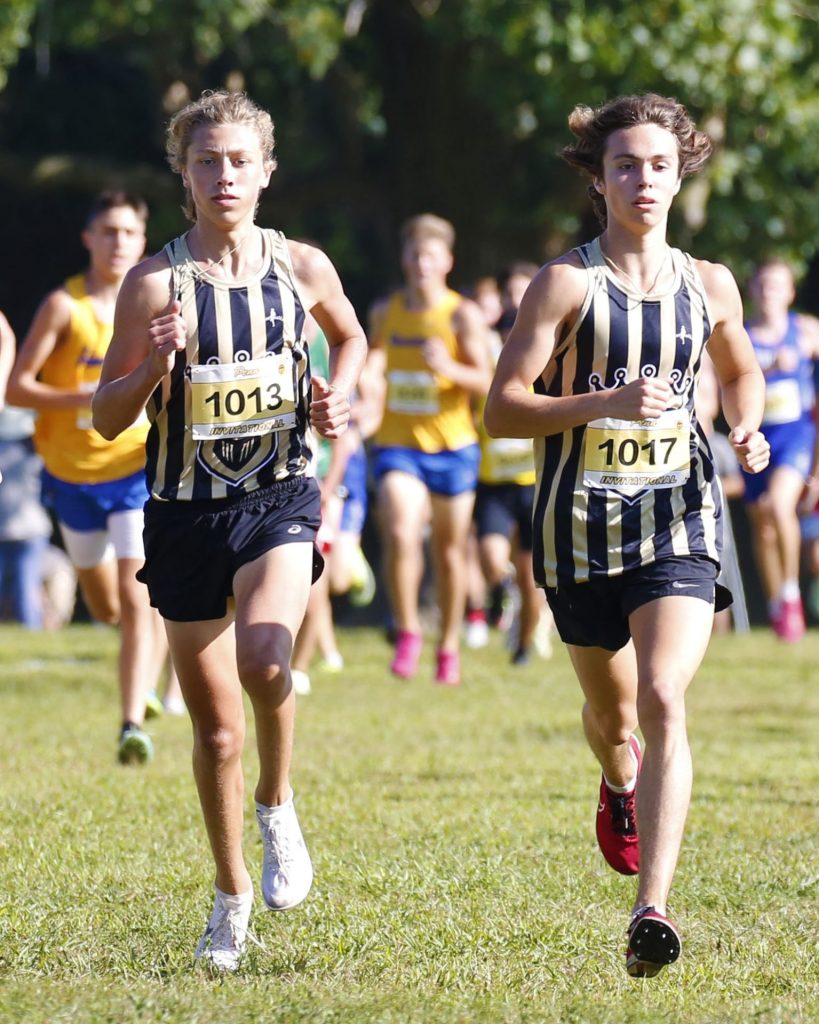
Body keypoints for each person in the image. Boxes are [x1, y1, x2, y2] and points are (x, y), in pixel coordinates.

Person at [484, 93, 769, 978]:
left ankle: (651, 906)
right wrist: (601, 402)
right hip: (576, 532)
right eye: (622, 166)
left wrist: (744, 426)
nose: (640, 180)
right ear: (597, 179)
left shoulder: (708, 282)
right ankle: (617, 782)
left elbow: (740, 368)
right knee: (613, 719)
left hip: (678, 517)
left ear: (679, 171)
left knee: (663, 697)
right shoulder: (565, 283)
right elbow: (501, 408)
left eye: (655, 164)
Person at [92, 90, 366, 972]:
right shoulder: (154, 284)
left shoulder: (303, 266)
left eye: (239, 160)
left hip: (279, 496)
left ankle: (278, 805)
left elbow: (350, 338)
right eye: (206, 160)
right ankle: (229, 896)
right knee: (213, 734)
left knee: (267, 659)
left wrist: (338, 392)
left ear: (266, 171)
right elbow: (104, 416)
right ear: (184, 173)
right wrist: (154, 368)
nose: (224, 176)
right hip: (182, 516)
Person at [6, 190, 171, 762]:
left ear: (143, 239)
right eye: (107, 231)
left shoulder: (155, 302)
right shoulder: (64, 307)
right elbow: (16, 387)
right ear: (88, 238)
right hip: (71, 478)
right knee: (106, 607)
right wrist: (93, 395)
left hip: (132, 470)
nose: (118, 242)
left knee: (134, 596)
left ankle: (132, 722)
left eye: (128, 232)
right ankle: (144, 667)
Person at [368, 214, 491, 685]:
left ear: (447, 262)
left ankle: (449, 646)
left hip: (453, 448)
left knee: (449, 552)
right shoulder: (387, 311)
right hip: (399, 444)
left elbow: (487, 382)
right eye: (415, 255)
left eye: (431, 256)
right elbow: (375, 356)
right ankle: (407, 632)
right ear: (404, 259)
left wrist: (449, 369)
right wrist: (370, 376)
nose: (421, 264)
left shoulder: (462, 314)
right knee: (400, 532)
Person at [741, 260, 819, 640]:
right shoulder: (739, 336)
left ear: (790, 292)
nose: (769, 292)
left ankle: (790, 594)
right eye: (763, 285)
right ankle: (777, 603)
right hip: (755, 436)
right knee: (763, 525)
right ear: (752, 291)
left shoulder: (804, 331)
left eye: (777, 286)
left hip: (796, 434)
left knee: (778, 505)